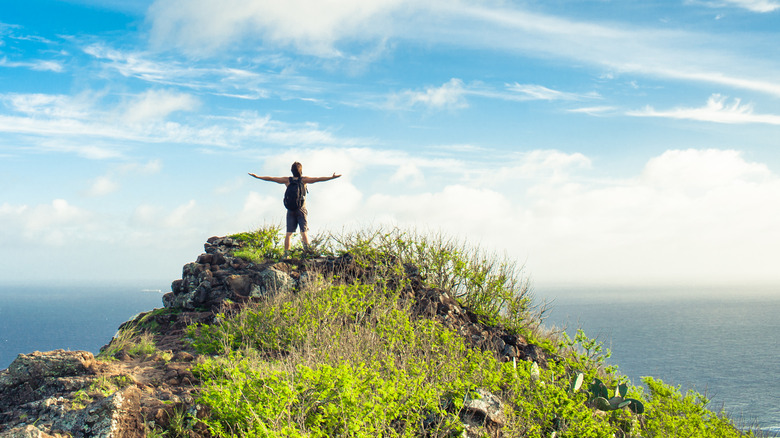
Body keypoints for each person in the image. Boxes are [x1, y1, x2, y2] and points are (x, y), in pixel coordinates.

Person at [248, 162, 341, 255]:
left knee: (289, 234)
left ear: (291, 171)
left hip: (290, 209)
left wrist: (258, 177)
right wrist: (331, 177)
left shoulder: (287, 180)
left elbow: (271, 179)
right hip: (301, 209)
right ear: (301, 170)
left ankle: (286, 255)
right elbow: (318, 179)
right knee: (303, 232)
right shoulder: (304, 180)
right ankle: (307, 253)